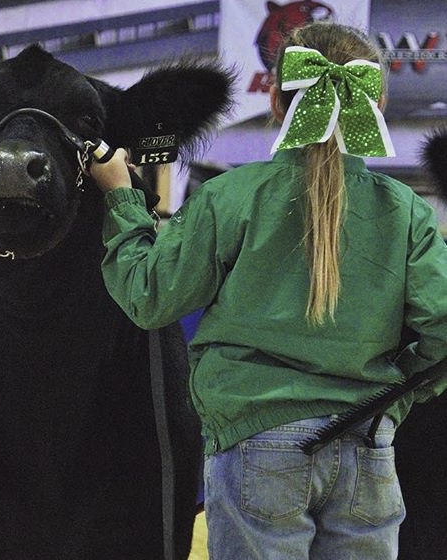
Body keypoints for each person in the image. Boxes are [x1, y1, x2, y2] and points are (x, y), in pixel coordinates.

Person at [90, 21, 447, 560]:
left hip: (258, 448)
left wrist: (122, 197)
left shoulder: (230, 197)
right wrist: (393, 397)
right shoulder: (407, 212)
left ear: (277, 104)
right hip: (368, 451)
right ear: (374, 105)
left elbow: (149, 294)